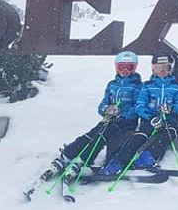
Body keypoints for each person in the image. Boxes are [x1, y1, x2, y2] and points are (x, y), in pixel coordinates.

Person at [39, 51, 143, 183]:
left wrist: (121, 114)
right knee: (91, 134)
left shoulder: (138, 87)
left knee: (101, 136)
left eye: (129, 67)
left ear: (134, 68)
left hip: (126, 123)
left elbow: (138, 108)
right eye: (121, 67)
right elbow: (102, 104)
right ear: (116, 67)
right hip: (110, 119)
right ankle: (67, 155)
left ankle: (84, 160)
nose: (125, 71)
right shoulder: (112, 85)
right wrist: (106, 109)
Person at [100, 52, 178, 175]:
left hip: (168, 118)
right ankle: (119, 161)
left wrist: (170, 109)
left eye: (165, 68)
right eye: (158, 68)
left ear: (170, 69)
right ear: (153, 68)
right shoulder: (147, 86)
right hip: (149, 118)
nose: (162, 71)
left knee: (169, 132)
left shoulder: (176, 86)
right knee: (140, 136)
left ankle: (148, 156)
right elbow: (140, 105)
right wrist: (150, 117)